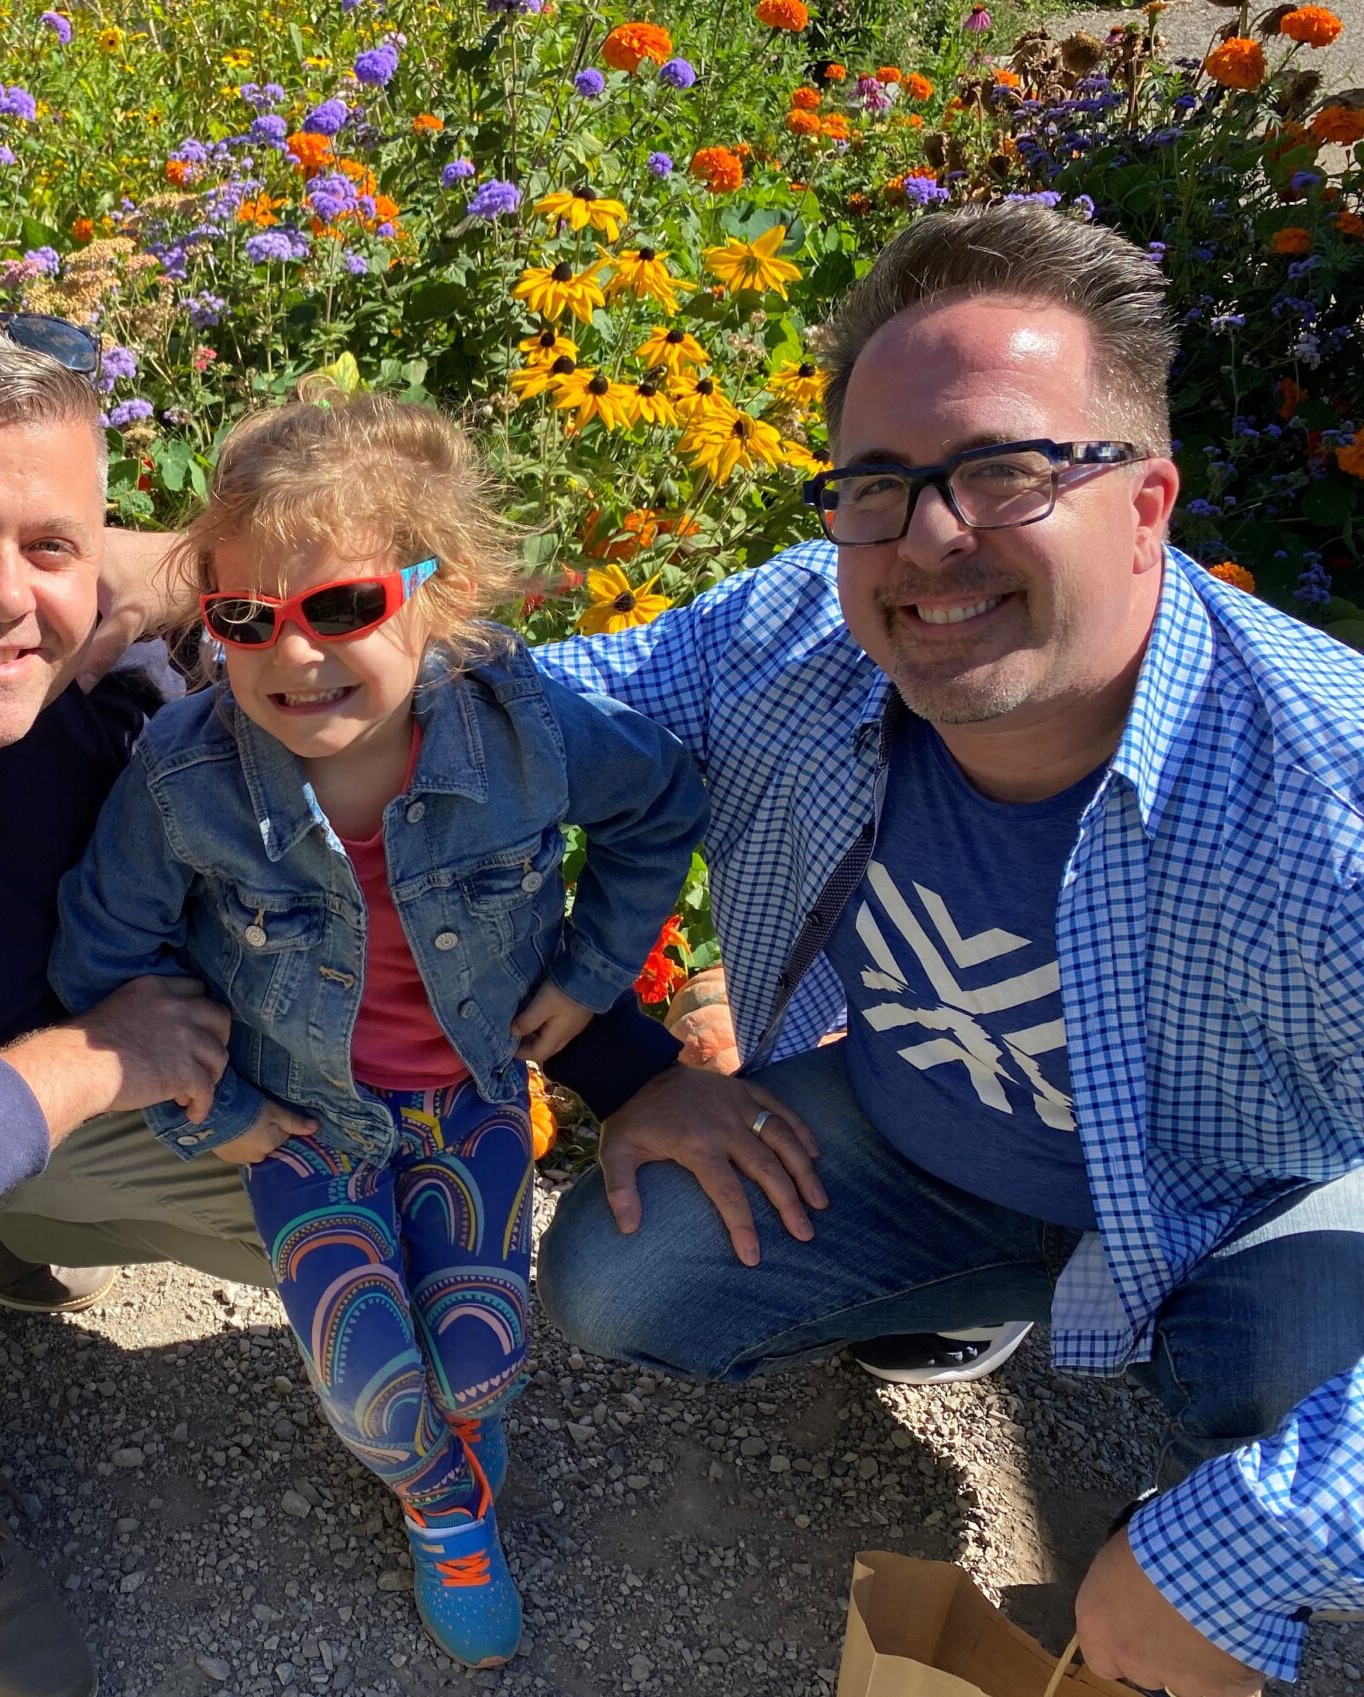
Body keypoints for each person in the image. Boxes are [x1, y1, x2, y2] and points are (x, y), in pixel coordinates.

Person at [0, 309, 675, 1697]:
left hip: (98, 1084)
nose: (4, 598)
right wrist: (93, 1058)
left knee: (358, 1167)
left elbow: (421, 880)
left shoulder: (154, 662)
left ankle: (30, 1229)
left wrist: (635, 1061)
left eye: (52, 546)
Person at [533, 201, 1364, 1697]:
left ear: (1147, 501)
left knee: (1302, 1377)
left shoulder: (1330, 798)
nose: (928, 536)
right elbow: (473, 744)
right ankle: (975, 1291)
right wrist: (623, 1057)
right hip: (934, 1140)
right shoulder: (791, 632)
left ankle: (1195, 1450)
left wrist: (1239, 1540)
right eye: (877, 483)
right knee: (619, 1278)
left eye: (1005, 469)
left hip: (1239, 1199)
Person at [47, 392, 708, 1669]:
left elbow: (658, 803)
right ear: (215, 623)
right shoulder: (186, 776)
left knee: (483, 1363)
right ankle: (442, 1506)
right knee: (378, 1387)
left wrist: (594, 968)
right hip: (305, 1123)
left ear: (438, 593)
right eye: (246, 620)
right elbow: (103, 950)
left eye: (342, 607)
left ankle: (455, 1429)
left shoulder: (522, 725)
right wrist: (217, 1102)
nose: (294, 658)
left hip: (469, 1096)